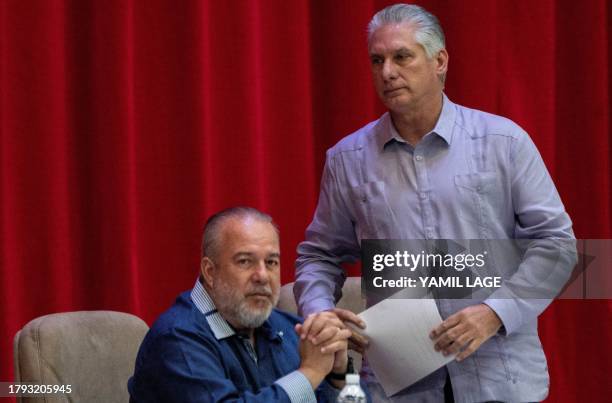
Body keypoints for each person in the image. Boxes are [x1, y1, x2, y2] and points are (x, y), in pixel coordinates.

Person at [295, 3, 576, 403]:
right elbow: (319, 256)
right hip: (401, 385)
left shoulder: (504, 143)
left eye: (401, 56)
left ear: (439, 60)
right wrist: (319, 311)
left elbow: (557, 245)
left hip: (499, 378)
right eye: (377, 60)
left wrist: (496, 313)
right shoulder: (347, 160)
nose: (387, 72)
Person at [129, 206, 357, 402]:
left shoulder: (288, 328)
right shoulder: (176, 339)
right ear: (210, 271)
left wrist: (338, 375)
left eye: (271, 262)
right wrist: (311, 372)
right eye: (245, 261)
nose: (262, 275)